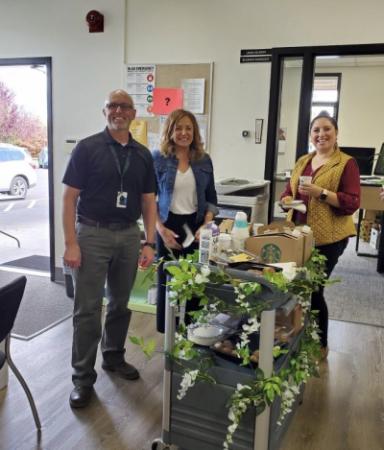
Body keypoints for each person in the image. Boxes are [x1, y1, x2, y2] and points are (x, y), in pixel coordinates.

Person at [62, 89, 157, 408]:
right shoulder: (87, 148)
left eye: (124, 106)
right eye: (112, 106)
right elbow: (69, 198)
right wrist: (71, 243)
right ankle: (82, 379)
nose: (118, 111)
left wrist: (149, 242)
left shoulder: (143, 154)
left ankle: (113, 357)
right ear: (105, 112)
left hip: (129, 235)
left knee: (120, 303)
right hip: (91, 234)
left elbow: (148, 201)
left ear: (133, 113)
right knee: (87, 309)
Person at [281, 113, 360, 359]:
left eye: (327, 129)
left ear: (336, 133)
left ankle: (320, 345)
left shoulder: (346, 163)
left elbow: (352, 203)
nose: (321, 134)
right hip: (298, 235)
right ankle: (296, 334)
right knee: (294, 286)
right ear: (310, 135)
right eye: (316, 130)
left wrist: (321, 192)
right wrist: (284, 201)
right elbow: (288, 190)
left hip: (330, 238)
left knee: (313, 289)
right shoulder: (304, 160)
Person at [152, 109, 218, 333]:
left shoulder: (203, 160)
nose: (183, 133)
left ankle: (193, 332)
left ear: (195, 132)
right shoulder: (158, 159)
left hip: (195, 226)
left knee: (196, 282)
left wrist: (206, 226)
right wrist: (161, 230)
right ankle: (168, 335)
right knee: (167, 282)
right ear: (170, 130)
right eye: (178, 128)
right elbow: (148, 199)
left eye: (188, 128)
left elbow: (211, 199)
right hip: (167, 226)